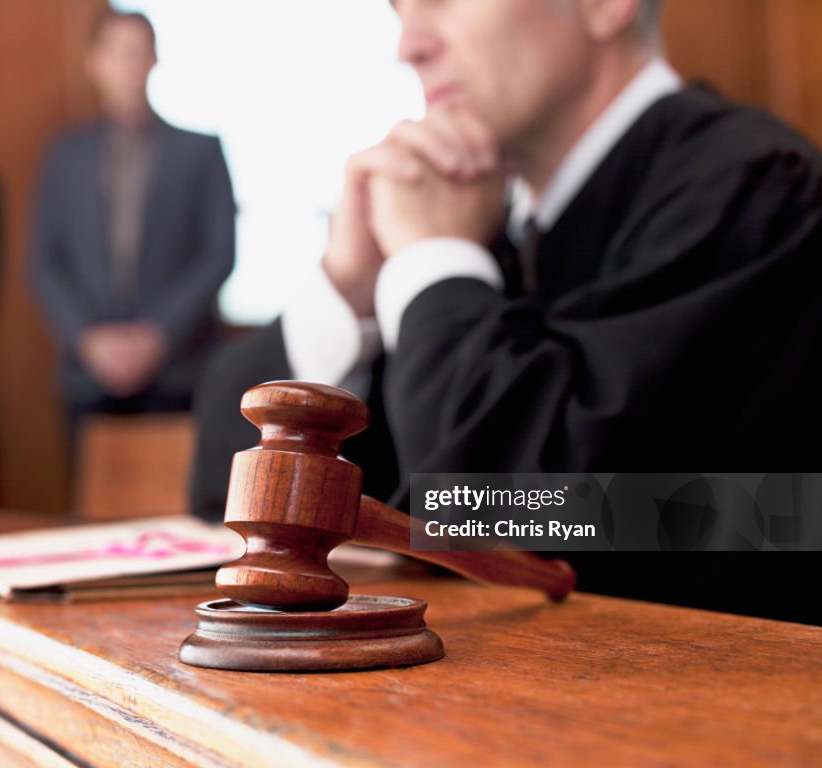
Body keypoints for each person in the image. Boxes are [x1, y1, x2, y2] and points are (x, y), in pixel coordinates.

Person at [191, 0, 822, 623]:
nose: (407, 45)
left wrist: (433, 258)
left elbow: (524, 515)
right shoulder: (478, 226)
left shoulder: (760, 191)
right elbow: (223, 501)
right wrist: (347, 290)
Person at [31, 10, 235, 454]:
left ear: (154, 59)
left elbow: (218, 253)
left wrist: (156, 335)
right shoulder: (64, 154)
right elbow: (46, 261)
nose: (128, 63)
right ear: (94, 62)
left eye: (138, 51)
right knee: (87, 514)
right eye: (116, 52)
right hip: (87, 373)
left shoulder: (200, 151)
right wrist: (88, 338)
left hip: (177, 366)